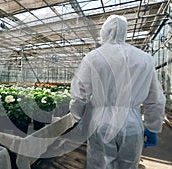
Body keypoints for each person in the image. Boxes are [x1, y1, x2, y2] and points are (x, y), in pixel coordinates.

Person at [69, 15, 166, 169]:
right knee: (128, 165)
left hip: (101, 123)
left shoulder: (93, 57)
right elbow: (156, 98)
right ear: (124, 32)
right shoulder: (145, 59)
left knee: (99, 164)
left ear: (104, 32)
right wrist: (152, 126)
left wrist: (79, 117)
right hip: (132, 124)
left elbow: (79, 95)